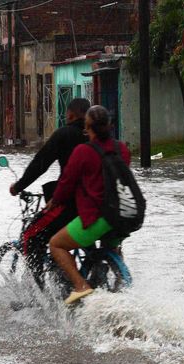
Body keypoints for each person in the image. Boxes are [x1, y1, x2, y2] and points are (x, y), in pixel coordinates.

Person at [48, 105, 131, 305]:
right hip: (125, 216)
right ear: (110, 126)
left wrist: (54, 201)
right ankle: (118, 284)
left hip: (99, 217)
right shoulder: (122, 149)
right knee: (109, 245)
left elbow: (67, 183)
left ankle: (81, 285)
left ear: (87, 127)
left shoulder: (83, 151)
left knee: (56, 244)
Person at [9, 98, 91, 283]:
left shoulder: (65, 134)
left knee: (30, 235)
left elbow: (41, 163)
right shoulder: (99, 138)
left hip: (71, 204)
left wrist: (19, 186)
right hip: (98, 206)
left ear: (69, 115)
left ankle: (38, 292)